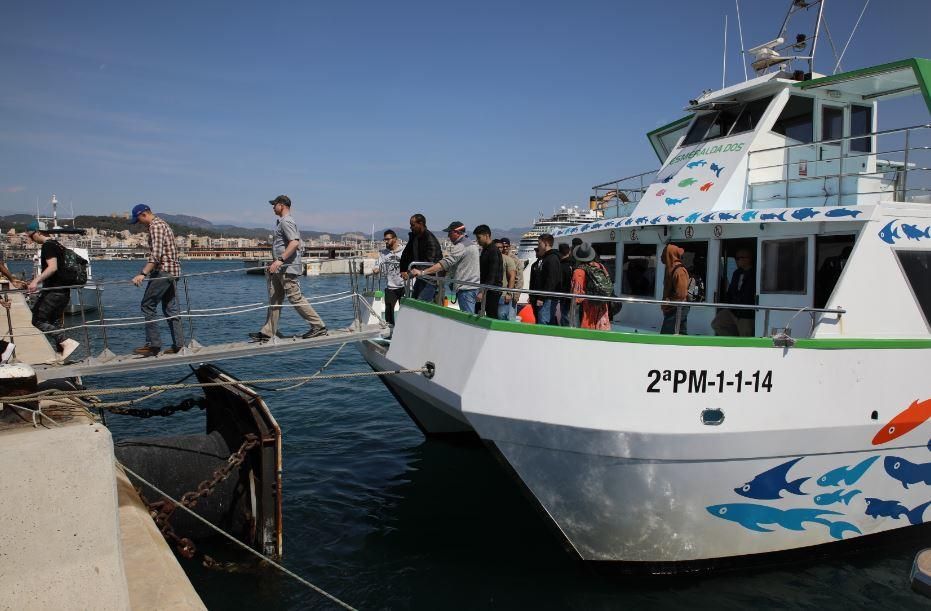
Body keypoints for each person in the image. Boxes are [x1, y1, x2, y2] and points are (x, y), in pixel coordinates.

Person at [248, 195, 327, 342]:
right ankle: (268, 332)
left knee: (295, 297)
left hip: (286, 267)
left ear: (282, 205)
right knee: (275, 298)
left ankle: (318, 327)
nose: (273, 207)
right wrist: (274, 264)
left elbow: (294, 243)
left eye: (274, 204)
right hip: (279, 268)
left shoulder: (287, 221)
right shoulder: (281, 222)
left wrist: (280, 260)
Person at [129, 204, 184, 356]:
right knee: (170, 309)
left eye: (138, 220)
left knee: (147, 305)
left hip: (164, 271)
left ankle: (153, 345)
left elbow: (156, 254)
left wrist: (143, 273)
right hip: (173, 271)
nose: (139, 223)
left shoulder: (156, 226)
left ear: (144, 214)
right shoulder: (161, 224)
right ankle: (179, 345)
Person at [24, 220, 79, 360]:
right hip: (63, 290)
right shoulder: (58, 245)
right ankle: (61, 353)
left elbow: (52, 267)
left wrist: (36, 281)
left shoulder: (48, 246)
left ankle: (66, 342)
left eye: (30, 236)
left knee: (37, 320)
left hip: (54, 291)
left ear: (37, 232)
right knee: (54, 321)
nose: (31, 239)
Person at [410, 221, 480, 313]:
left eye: (449, 233)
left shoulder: (461, 246)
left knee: (468, 317)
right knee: (468, 315)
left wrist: (422, 272)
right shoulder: (470, 244)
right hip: (471, 287)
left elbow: (445, 263)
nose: (448, 236)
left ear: (457, 232)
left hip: (466, 289)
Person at [712, 248, 756, 337]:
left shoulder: (755, 274)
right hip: (733, 310)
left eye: (739, 258)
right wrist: (727, 305)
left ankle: (741, 346)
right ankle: (733, 341)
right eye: (736, 258)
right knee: (717, 324)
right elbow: (731, 291)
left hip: (746, 313)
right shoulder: (737, 273)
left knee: (745, 336)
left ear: (748, 259)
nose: (736, 260)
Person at [399, 214, 442, 302]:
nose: (411, 227)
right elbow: (406, 254)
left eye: (413, 225)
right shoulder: (414, 237)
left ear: (421, 224)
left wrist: (412, 273)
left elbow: (430, 261)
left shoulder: (430, 239)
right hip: (420, 277)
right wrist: (403, 269)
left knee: (421, 303)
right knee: (414, 301)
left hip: (430, 279)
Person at [570, 242, 611, 330]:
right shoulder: (600, 266)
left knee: (584, 332)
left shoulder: (579, 271)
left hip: (586, 307)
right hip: (601, 304)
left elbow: (576, 296)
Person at [373, 229, 404, 327]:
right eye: (384, 239)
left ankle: (404, 330)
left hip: (404, 286)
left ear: (395, 239)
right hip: (391, 287)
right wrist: (376, 268)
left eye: (388, 239)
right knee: (389, 311)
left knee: (405, 311)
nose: (386, 241)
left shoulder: (404, 250)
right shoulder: (383, 253)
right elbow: (378, 263)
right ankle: (390, 332)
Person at [532, 234, 562, 325]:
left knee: (544, 322)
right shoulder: (546, 258)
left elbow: (551, 280)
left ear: (546, 243)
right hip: (545, 297)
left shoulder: (552, 259)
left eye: (539, 243)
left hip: (547, 299)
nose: (538, 246)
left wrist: (542, 297)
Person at [660, 243, 690, 335]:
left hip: (678, 309)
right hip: (674, 308)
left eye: (664, 254)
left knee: (666, 336)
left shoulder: (679, 271)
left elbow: (681, 295)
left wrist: (667, 302)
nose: (661, 257)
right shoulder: (671, 269)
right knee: (680, 334)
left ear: (669, 255)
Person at [474, 225, 502, 318]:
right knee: (477, 313)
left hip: (492, 291)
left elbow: (492, 274)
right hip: (485, 289)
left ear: (486, 235)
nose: (478, 241)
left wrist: (483, 292)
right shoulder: (485, 250)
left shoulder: (493, 251)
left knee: (492, 316)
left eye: (479, 238)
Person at [495, 239, 518, 321]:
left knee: (504, 316)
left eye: (504, 247)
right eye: (501, 247)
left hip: (505, 294)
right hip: (493, 294)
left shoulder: (511, 259)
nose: (503, 248)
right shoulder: (490, 259)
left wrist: (511, 294)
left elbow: (516, 278)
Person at [558, 242, 574, 326]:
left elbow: (560, 282)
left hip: (564, 294)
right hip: (575, 295)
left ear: (559, 252)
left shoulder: (560, 266)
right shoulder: (574, 264)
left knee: (565, 316)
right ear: (569, 252)